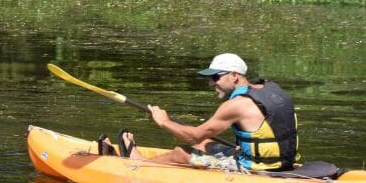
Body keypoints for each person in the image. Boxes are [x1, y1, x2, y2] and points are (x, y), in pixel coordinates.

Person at [107, 52, 299, 171]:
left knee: (181, 152)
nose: (211, 83)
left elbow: (193, 137)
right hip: (283, 161)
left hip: (258, 168)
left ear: (234, 76)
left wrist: (164, 121)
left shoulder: (236, 105)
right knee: (206, 144)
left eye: (215, 77)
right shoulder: (271, 88)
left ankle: (138, 165)